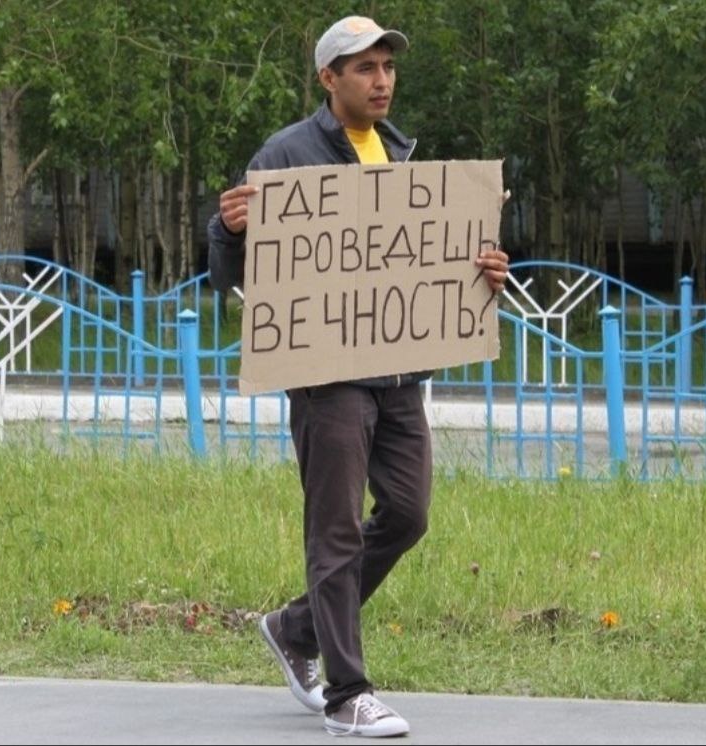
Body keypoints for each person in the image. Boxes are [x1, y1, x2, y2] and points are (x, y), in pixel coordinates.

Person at [205, 15, 510, 739]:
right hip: (327, 375)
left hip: (398, 373)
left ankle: (295, 628)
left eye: (388, 67)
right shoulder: (286, 154)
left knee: (407, 513)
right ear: (329, 78)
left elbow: (417, 259)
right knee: (335, 529)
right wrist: (229, 229)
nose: (382, 81)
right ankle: (348, 694)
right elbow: (231, 271)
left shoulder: (401, 154)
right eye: (365, 68)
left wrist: (483, 271)